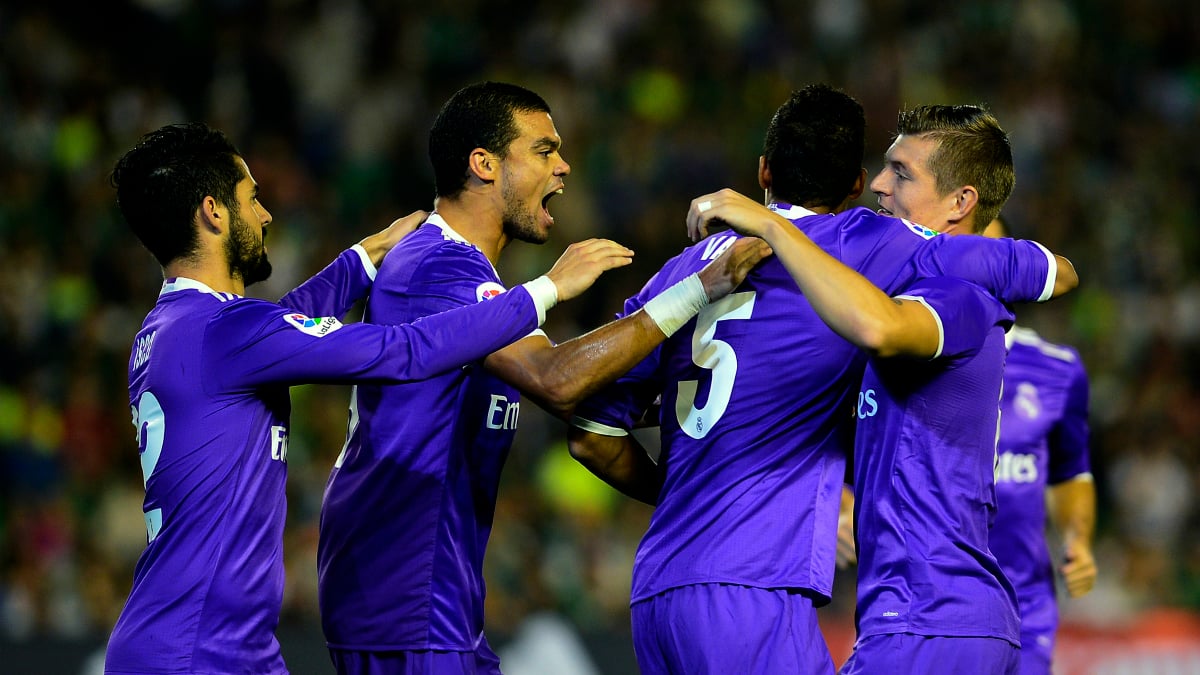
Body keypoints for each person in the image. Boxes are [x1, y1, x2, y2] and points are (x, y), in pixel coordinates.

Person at [567, 90, 1075, 674]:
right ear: (855, 185)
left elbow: (591, 434)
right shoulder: (872, 245)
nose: (886, 186)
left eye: (901, 173)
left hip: (657, 591)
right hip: (758, 588)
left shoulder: (680, 272)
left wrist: (699, 493)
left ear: (763, 172)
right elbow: (1052, 271)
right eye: (882, 172)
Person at [103, 122, 636, 674]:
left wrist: (365, 256)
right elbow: (402, 351)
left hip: (211, 641)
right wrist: (546, 290)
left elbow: (278, 325)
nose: (264, 215)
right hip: (196, 650)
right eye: (252, 197)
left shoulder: (171, 329)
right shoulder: (226, 332)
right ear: (214, 212)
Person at [315, 81, 769, 675]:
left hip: (426, 594)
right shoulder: (439, 267)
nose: (564, 166)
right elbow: (557, 380)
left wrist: (710, 381)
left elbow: (577, 386)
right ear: (484, 164)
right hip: (403, 592)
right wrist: (699, 288)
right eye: (544, 150)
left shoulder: (466, 276)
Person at [986, 216, 1097, 675]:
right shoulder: (900, 351)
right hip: (925, 602)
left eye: (989, 252)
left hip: (1024, 607)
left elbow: (1070, 472)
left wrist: (1079, 539)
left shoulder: (1058, 369)